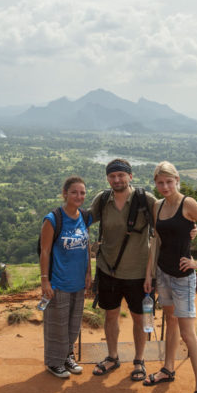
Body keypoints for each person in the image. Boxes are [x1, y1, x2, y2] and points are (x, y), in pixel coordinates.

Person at [143, 161, 197, 393]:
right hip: (164, 273)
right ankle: (168, 368)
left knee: (189, 333)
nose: (165, 187)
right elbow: (157, 240)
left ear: (177, 180)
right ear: (155, 183)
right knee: (170, 320)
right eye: (160, 182)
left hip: (183, 277)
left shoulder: (188, 204)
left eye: (169, 181)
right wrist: (149, 273)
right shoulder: (158, 205)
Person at [88, 158, 158, 381]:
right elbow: (82, 221)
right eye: (112, 176)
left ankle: (139, 359)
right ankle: (112, 356)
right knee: (110, 315)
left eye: (121, 175)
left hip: (139, 272)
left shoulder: (144, 200)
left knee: (142, 319)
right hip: (108, 270)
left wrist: (191, 228)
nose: (116, 179)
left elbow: (164, 225)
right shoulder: (103, 199)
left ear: (130, 176)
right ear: (108, 178)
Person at [39, 176, 93, 379]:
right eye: (74, 192)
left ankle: (67, 356)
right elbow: (44, 251)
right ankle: (54, 362)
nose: (79, 196)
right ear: (65, 193)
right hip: (58, 281)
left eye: (82, 193)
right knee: (57, 324)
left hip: (78, 281)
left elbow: (87, 245)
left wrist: (88, 272)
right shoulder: (53, 219)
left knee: (73, 323)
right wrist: (45, 280)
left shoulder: (84, 217)